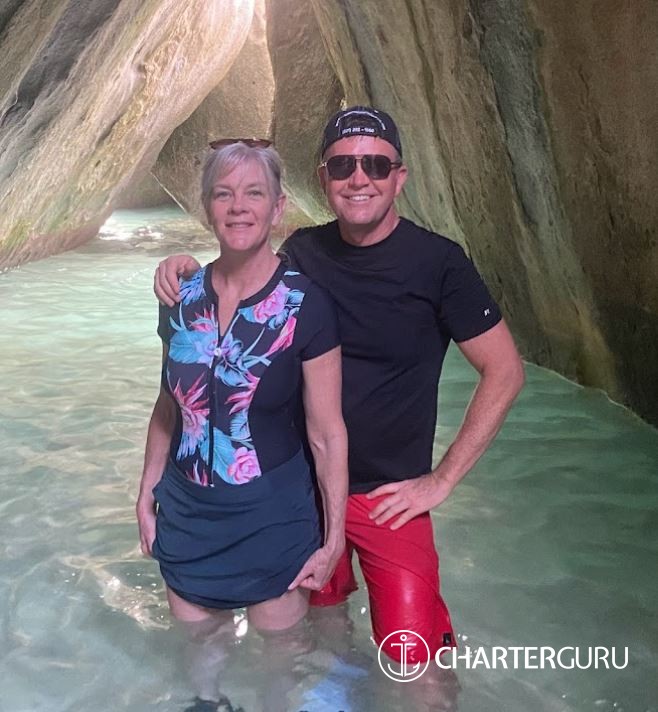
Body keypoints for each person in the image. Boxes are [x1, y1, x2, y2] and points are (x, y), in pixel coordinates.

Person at [153, 107, 525, 664]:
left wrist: (441, 481)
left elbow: (506, 371)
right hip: (306, 492)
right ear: (323, 177)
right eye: (343, 165)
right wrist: (184, 266)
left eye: (376, 165)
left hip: (389, 499)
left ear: (399, 177)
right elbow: (242, 280)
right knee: (318, 647)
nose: (359, 178)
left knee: (415, 661)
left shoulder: (439, 264)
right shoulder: (305, 252)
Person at [137, 140, 348, 638]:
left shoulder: (305, 306)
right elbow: (169, 406)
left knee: (278, 668)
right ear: (207, 207)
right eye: (223, 193)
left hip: (272, 518)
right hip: (187, 516)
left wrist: (334, 538)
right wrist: (146, 494)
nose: (238, 207)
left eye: (254, 193)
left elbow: (326, 433)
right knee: (199, 667)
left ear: (277, 208)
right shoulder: (179, 298)